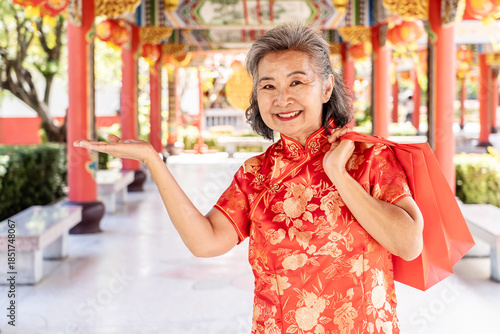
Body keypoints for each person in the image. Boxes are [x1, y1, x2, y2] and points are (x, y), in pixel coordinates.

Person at [74, 24, 423, 334]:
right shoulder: (256, 173)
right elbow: (206, 242)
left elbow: (409, 243)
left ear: (327, 87)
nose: (282, 98)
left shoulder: (368, 157)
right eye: (268, 85)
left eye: (297, 81)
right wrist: (153, 160)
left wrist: (338, 174)